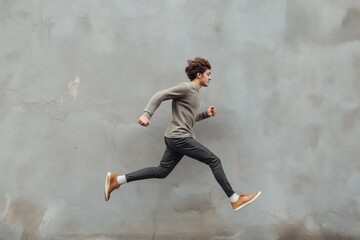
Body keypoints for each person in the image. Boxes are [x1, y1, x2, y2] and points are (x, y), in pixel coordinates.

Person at [104, 57, 261, 212]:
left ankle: (117, 180)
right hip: (180, 137)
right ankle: (234, 199)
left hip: (174, 137)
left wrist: (206, 114)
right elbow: (160, 95)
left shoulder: (195, 94)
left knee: (161, 172)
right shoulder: (186, 88)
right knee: (214, 161)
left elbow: (190, 119)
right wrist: (146, 114)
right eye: (208, 74)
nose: (211, 78)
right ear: (199, 75)